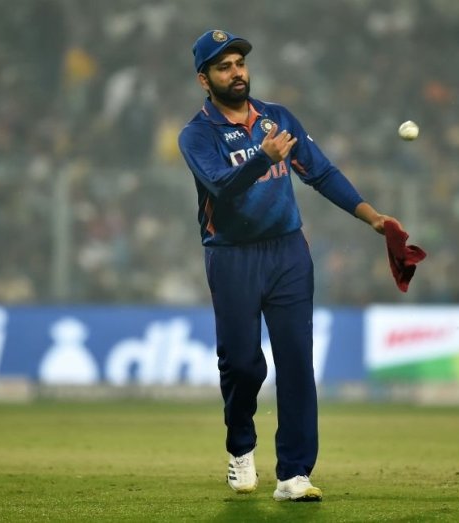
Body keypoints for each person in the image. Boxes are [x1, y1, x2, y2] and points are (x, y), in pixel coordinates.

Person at [178, 29, 404, 502]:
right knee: (242, 364)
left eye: (239, 62)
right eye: (224, 66)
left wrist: (373, 217)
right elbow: (222, 186)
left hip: (287, 254)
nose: (236, 72)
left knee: (298, 362)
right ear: (204, 79)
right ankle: (241, 447)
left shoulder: (277, 118)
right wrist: (262, 159)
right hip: (232, 256)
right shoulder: (196, 135)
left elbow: (320, 171)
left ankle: (294, 474)